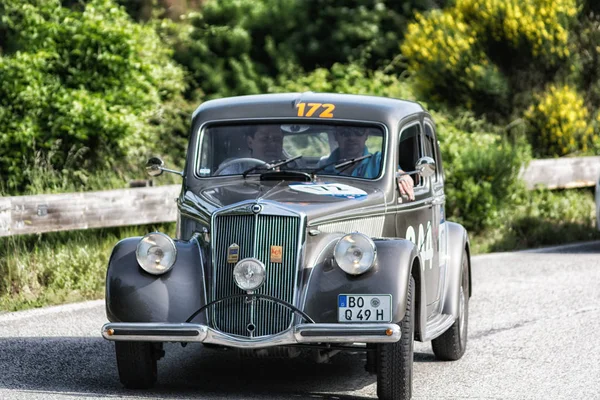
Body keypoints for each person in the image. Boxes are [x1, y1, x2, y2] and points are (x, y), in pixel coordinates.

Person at [318, 126, 415, 200]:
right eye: (345, 133)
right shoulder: (322, 167)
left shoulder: (378, 161)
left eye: (358, 132)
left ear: (366, 135)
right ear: (336, 136)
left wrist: (402, 177)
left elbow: (398, 172)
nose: (352, 138)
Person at [217, 125, 300, 175]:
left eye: (277, 139)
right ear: (250, 142)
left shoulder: (293, 167)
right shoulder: (234, 166)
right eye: (265, 139)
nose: (273, 144)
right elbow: (227, 189)